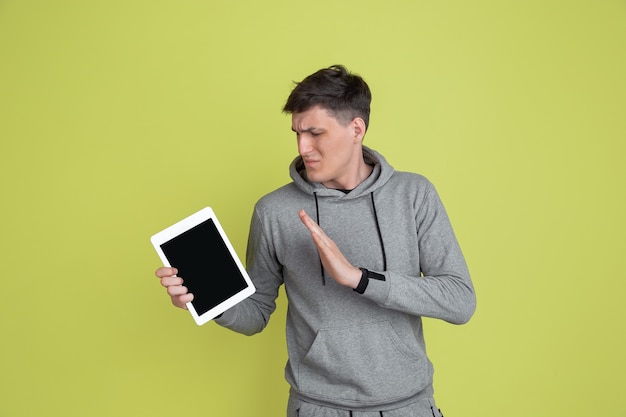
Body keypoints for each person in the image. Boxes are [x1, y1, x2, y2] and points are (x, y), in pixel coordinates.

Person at [156, 65, 476, 417]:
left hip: (410, 406)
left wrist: (359, 279)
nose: (302, 147)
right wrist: (207, 299)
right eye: (296, 133)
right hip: (317, 409)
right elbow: (256, 313)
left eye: (315, 133)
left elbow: (460, 301)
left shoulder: (413, 194)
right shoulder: (274, 211)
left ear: (356, 128)